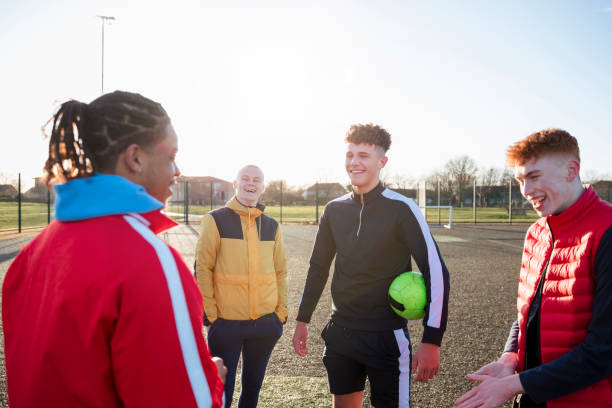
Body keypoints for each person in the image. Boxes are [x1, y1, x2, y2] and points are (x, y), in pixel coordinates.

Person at [2, 91, 226, 408]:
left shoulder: (30, 255)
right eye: (171, 156)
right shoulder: (149, 261)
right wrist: (212, 383)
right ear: (135, 158)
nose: (177, 171)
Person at [292, 123, 450, 408]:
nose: (354, 162)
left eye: (363, 155)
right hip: (340, 333)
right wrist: (303, 319)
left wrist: (432, 339)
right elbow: (318, 267)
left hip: (385, 337)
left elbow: (435, 271)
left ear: (382, 162)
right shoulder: (334, 210)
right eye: (350, 154)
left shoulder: (402, 208)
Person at [455, 129, 612, 408]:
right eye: (520, 180)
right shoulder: (536, 233)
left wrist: (512, 385)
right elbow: (528, 313)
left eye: (534, 177)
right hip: (530, 396)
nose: (526, 191)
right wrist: (509, 358)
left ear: (571, 170)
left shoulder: (607, 231)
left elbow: (603, 352)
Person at [194, 164, 287, 408]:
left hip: (266, 323)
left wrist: (280, 314)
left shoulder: (271, 225)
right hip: (226, 323)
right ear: (235, 185)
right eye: (245, 179)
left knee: (253, 388)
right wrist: (212, 316)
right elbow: (203, 268)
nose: (250, 184)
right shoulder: (215, 220)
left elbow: (280, 272)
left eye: (256, 180)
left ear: (262, 187)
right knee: (223, 390)